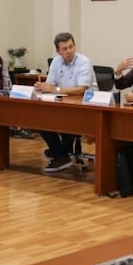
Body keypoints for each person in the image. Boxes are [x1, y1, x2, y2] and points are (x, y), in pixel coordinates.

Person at [36, 32, 96, 172]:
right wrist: (42, 87)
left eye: (71, 47)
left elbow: (81, 89)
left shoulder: (84, 61)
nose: (69, 51)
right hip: (65, 103)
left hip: (86, 106)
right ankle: (61, 153)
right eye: (65, 49)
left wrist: (55, 89)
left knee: (61, 120)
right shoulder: (56, 62)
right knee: (39, 118)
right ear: (58, 51)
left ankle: (60, 154)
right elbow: (50, 83)